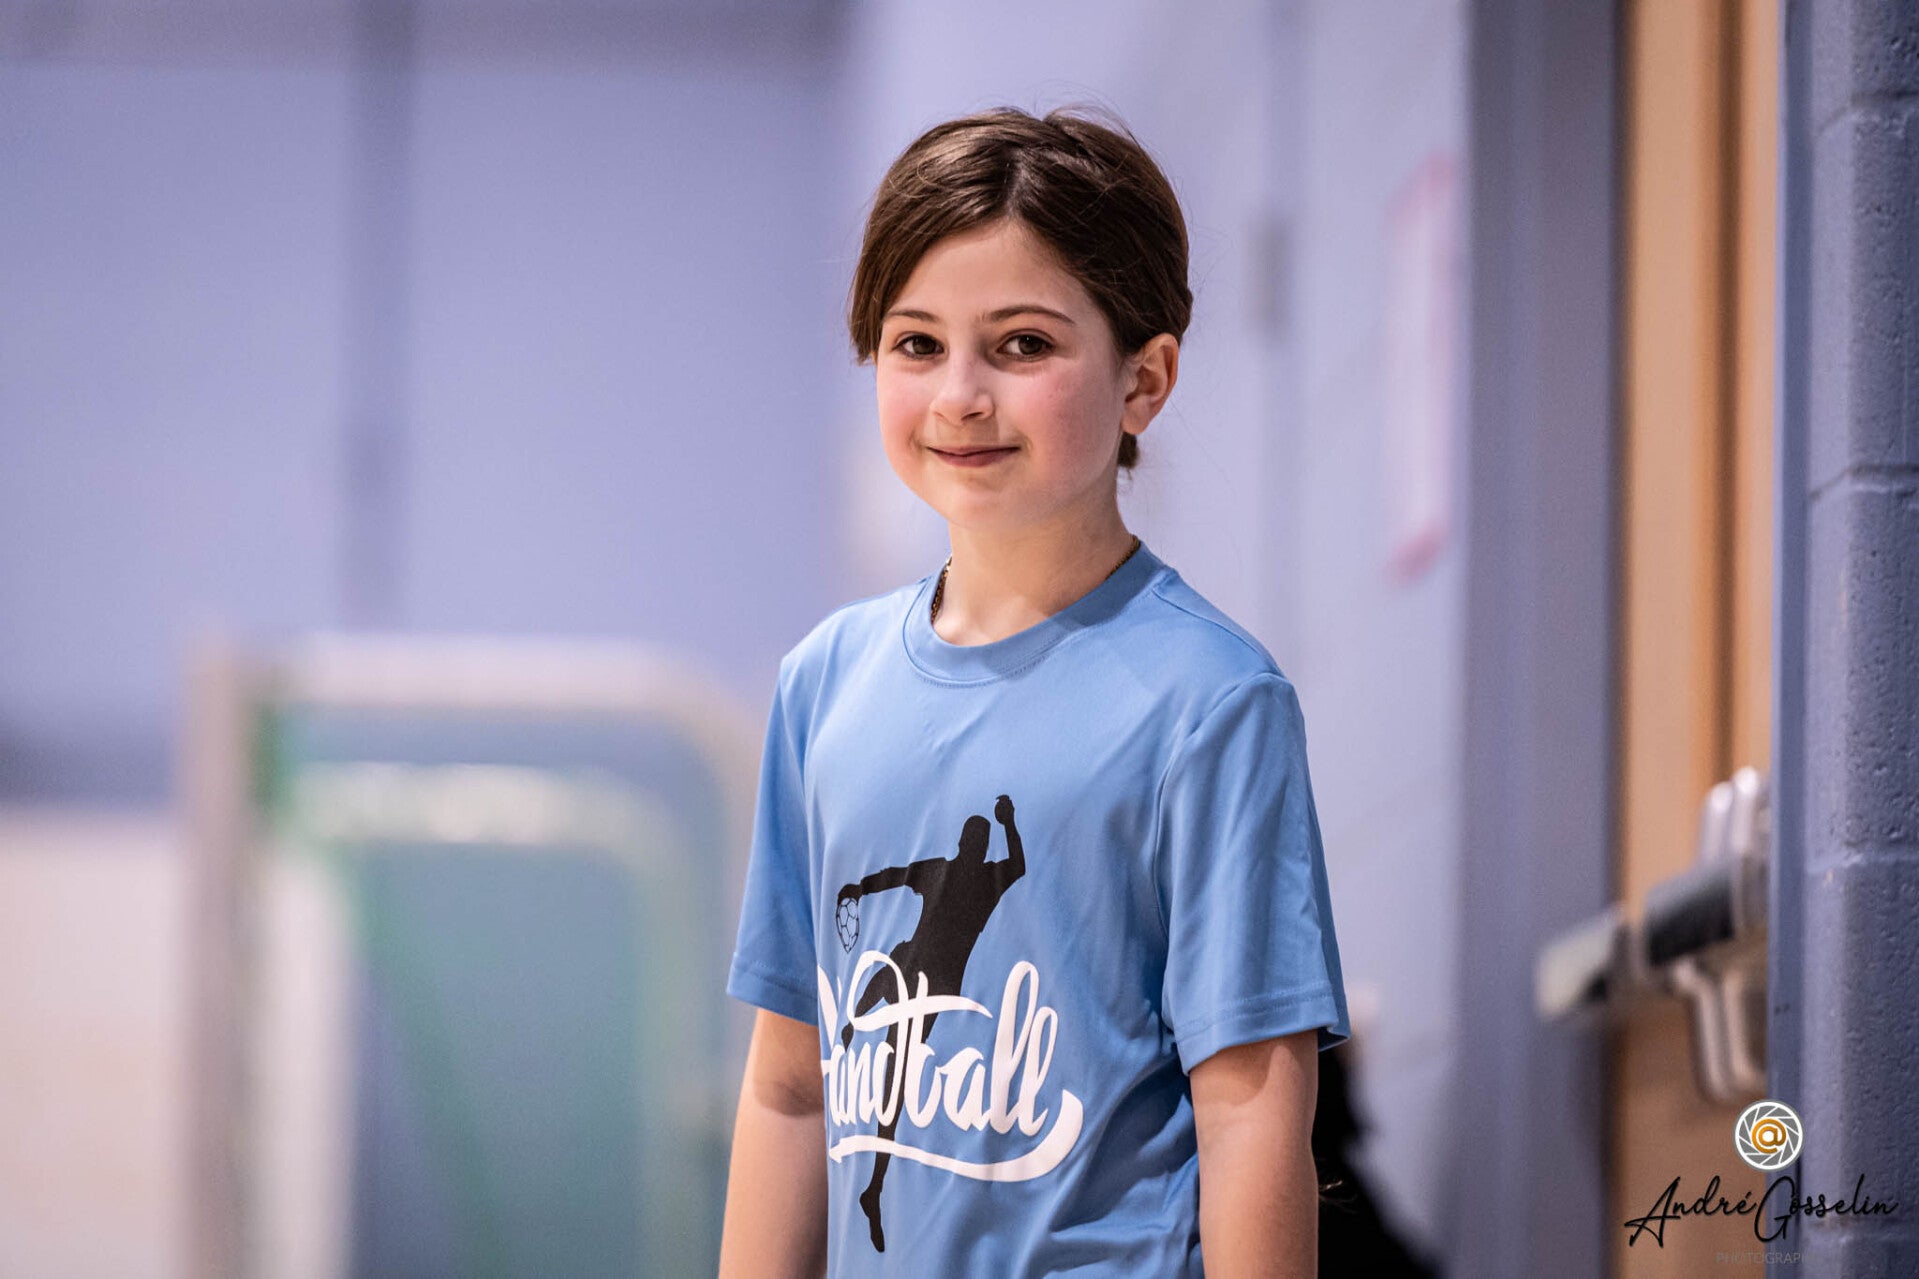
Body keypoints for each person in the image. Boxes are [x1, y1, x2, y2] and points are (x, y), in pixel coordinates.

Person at [718, 105, 1350, 1278]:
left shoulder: (1209, 702)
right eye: (916, 344)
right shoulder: (821, 687)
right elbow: (790, 1091)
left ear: (1144, 380)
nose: (959, 394)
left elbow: (1251, 1111)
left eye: (1019, 344)